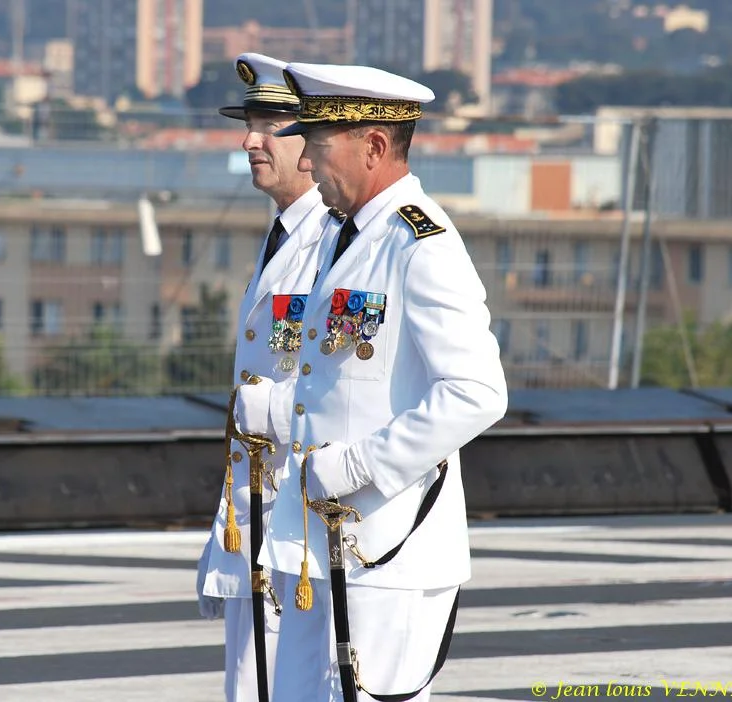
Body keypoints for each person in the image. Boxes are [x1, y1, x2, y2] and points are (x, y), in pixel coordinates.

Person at [234, 62, 508, 702]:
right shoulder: (346, 237)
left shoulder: (420, 242)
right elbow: (336, 378)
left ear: (375, 146)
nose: (311, 164)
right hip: (317, 540)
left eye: (321, 147)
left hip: (387, 547)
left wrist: (358, 463)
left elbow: (476, 392)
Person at [196, 53, 344, 702]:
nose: (250, 141)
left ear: (312, 141)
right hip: (259, 518)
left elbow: (350, 388)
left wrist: (270, 415)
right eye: (249, 123)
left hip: (303, 523)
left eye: (269, 125)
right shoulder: (283, 233)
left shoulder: (339, 242)